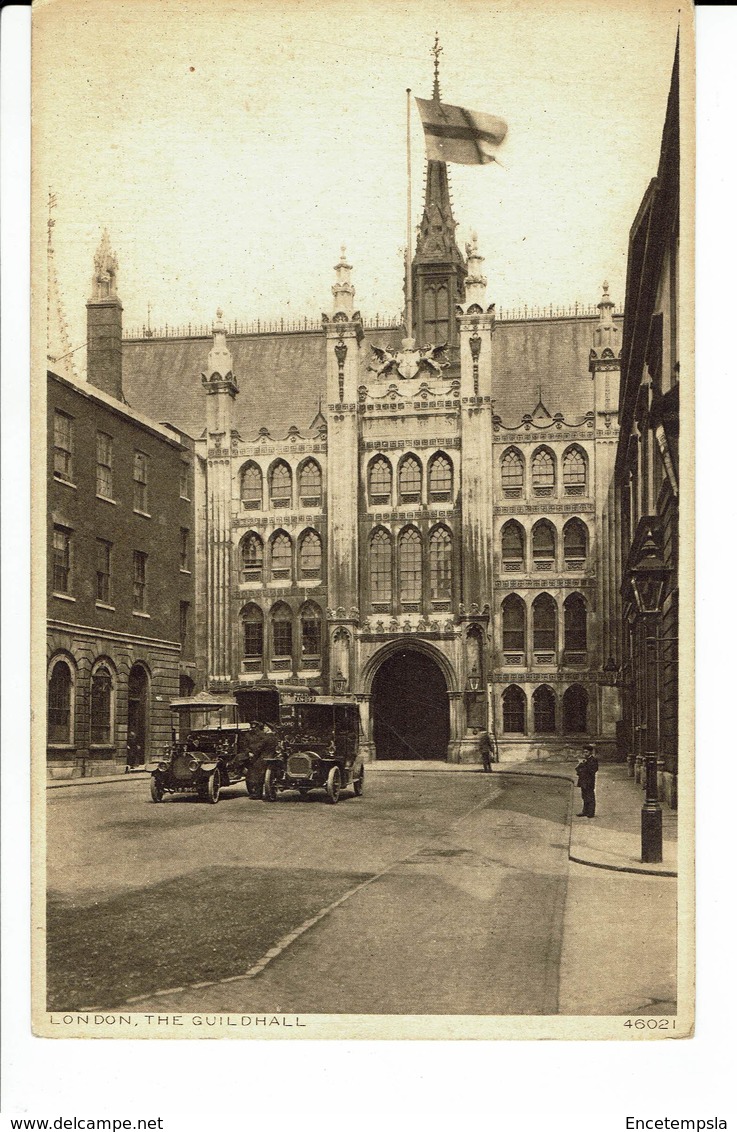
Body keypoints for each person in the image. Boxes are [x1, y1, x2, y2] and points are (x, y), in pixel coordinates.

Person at [575, 744, 599, 817]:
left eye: (586, 752)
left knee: (590, 797)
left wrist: (582, 767)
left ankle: (591, 813)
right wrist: (581, 765)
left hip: (589, 781)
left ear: (590, 752)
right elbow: (577, 769)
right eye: (584, 752)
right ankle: (585, 811)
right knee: (584, 796)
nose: (585, 754)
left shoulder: (593, 760)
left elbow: (592, 770)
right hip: (583, 781)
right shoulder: (585, 760)